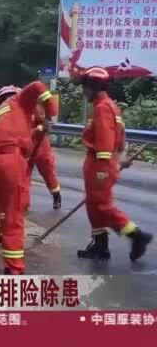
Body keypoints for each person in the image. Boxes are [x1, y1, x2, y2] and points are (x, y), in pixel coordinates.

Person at [0, 82, 58, 275]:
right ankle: (14, 267)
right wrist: (51, 113)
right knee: (14, 212)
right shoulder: (19, 100)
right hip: (10, 159)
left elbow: (15, 135)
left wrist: (37, 130)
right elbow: (36, 85)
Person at [76, 67, 153, 261]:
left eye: (85, 87)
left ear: (94, 86)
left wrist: (103, 169)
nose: (83, 91)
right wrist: (117, 160)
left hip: (100, 164)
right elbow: (119, 138)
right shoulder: (108, 105)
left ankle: (136, 235)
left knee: (102, 206)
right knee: (94, 207)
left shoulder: (103, 108)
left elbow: (105, 141)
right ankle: (100, 247)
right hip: (102, 162)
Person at [30, 108, 62, 209]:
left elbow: (45, 123)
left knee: (48, 172)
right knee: (23, 177)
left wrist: (41, 127)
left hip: (40, 145)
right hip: (27, 144)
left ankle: (57, 196)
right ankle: (23, 204)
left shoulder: (36, 107)